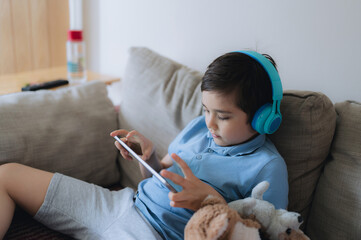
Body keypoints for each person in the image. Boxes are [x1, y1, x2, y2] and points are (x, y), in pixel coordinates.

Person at [0, 51, 288, 240]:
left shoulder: (267, 167)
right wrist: (147, 157)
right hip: (120, 204)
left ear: (264, 118)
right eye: (206, 110)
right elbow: (160, 176)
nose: (209, 123)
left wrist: (210, 201)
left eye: (223, 116)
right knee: (7, 175)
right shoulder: (199, 128)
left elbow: (265, 233)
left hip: (159, 235)